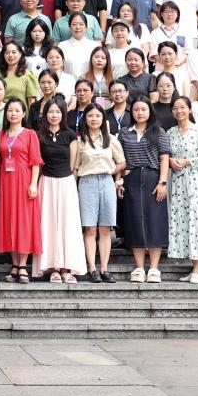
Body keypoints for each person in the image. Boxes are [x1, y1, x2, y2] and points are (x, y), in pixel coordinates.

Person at [166, 96, 198, 282]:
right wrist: (171, 161)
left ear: (189, 109)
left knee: (197, 221)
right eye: (175, 108)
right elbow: (166, 155)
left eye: (182, 107)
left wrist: (188, 161)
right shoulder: (170, 133)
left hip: (197, 182)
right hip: (178, 183)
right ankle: (196, 269)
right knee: (183, 222)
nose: (179, 111)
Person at [118, 98, 171, 283]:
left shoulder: (158, 131)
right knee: (134, 221)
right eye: (136, 110)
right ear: (131, 112)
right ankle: (139, 267)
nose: (140, 113)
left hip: (153, 178)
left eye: (143, 109)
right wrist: (119, 180)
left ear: (150, 111)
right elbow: (120, 158)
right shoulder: (124, 133)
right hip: (131, 178)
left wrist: (162, 182)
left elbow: (164, 158)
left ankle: (154, 268)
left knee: (155, 221)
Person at [0, 97, 42, 284]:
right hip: (5, 182)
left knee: (24, 222)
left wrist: (33, 184)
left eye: (17, 110)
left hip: (24, 181)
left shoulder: (30, 134)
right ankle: (14, 264)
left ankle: (22, 265)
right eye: (10, 110)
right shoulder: (0, 134)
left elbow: (35, 161)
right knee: (9, 221)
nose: (13, 113)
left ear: (23, 113)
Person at [34, 98, 84, 283]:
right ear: (45, 114)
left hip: (66, 184)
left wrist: (69, 182)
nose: (54, 115)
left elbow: (72, 165)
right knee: (48, 225)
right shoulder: (39, 135)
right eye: (50, 112)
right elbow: (38, 163)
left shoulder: (70, 135)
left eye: (57, 112)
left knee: (67, 225)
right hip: (46, 183)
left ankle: (66, 268)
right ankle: (53, 268)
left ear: (63, 114)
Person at [73, 104, 125, 282]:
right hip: (86, 183)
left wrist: (108, 171)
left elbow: (122, 162)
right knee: (89, 228)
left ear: (103, 119)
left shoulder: (110, 139)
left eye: (97, 116)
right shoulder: (80, 141)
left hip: (106, 182)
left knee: (105, 227)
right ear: (85, 119)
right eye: (90, 116)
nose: (94, 119)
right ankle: (92, 268)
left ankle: (104, 268)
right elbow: (75, 167)